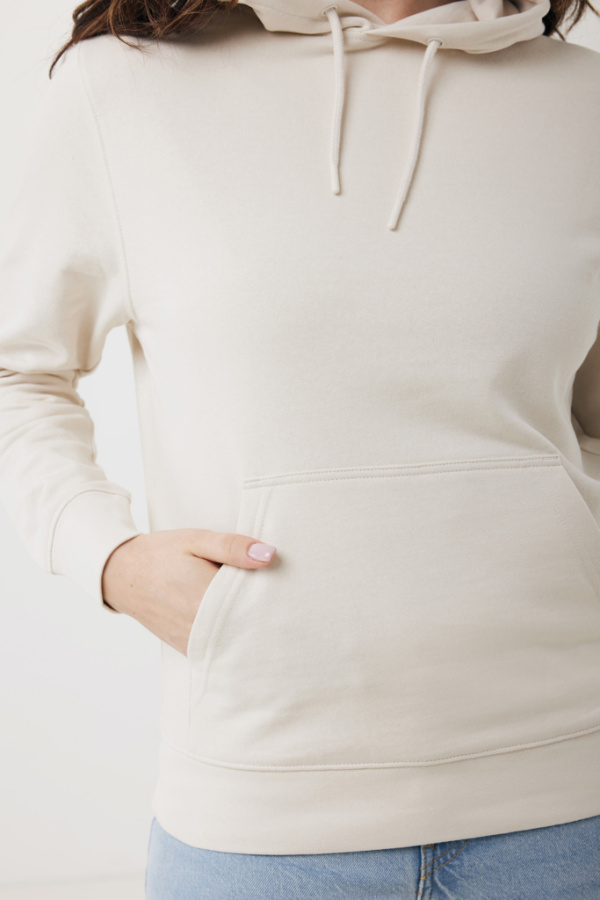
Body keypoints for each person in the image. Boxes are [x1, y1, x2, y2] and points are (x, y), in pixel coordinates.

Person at [0, 0, 599, 896]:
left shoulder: (583, 104)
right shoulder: (122, 88)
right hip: (265, 819)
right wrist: (109, 558)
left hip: (569, 795)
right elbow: (17, 372)